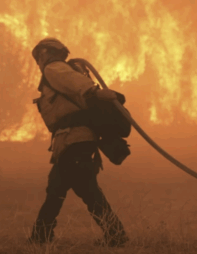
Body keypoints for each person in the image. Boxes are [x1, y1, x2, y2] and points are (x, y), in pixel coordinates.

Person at [29, 37, 128, 247]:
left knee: (87, 190)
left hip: (74, 139)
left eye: (39, 56)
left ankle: (116, 235)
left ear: (46, 53)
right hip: (69, 141)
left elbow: (77, 83)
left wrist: (94, 91)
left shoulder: (53, 69)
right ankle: (40, 236)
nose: (38, 61)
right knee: (56, 188)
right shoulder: (60, 71)